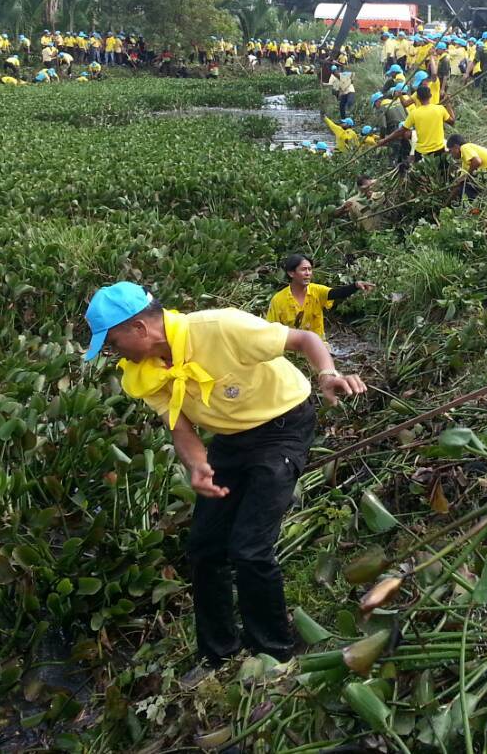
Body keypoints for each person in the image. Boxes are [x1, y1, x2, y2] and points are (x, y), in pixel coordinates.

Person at [82, 281, 365, 669]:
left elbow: (304, 339)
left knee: (250, 548)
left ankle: (275, 653)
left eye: (113, 342)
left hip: (281, 428)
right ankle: (219, 654)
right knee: (205, 547)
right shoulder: (142, 370)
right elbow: (179, 426)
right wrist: (198, 465)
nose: (114, 352)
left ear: (139, 328)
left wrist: (327, 374)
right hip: (230, 439)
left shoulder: (220, 327)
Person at [265, 254, 373, 338]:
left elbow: (336, 293)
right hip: (291, 351)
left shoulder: (316, 291)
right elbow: (271, 331)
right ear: (291, 273)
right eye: (303, 269)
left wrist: (355, 286)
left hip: (317, 347)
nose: (308, 273)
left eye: (310, 269)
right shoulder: (278, 300)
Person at [380, 83, 453, 167]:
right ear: (430, 96)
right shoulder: (440, 109)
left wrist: (384, 140)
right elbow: (452, 122)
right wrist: (448, 104)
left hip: (422, 152)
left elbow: (400, 131)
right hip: (439, 149)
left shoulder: (414, 114)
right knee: (442, 172)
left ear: (417, 97)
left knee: (419, 171)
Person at [447, 132, 487, 199]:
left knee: (466, 186)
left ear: (456, 147)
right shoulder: (465, 161)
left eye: (450, 151)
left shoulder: (465, 147)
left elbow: (477, 161)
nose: (451, 154)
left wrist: (466, 176)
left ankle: (474, 201)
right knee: (463, 186)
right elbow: (460, 183)